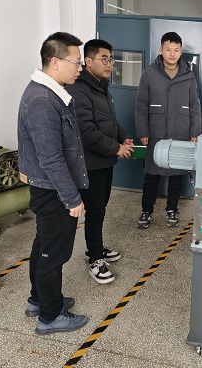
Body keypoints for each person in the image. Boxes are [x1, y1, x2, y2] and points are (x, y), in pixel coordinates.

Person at [17, 32, 89, 335]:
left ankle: (39, 300)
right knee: (52, 255)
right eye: (76, 61)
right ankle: (50, 316)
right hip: (53, 190)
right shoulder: (43, 100)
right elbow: (51, 158)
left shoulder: (50, 92)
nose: (80, 68)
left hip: (49, 187)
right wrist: (72, 199)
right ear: (55, 61)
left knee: (43, 246)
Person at [65, 39, 134, 284]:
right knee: (95, 211)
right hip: (90, 164)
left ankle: (95, 246)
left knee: (100, 208)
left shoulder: (101, 87)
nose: (109, 64)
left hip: (104, 162)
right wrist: (116, 148)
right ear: (88, 61)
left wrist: (123, 137)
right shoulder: (79, 89)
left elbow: (110, 122)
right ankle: (95, 258)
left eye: (110, 59)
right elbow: (86, 131)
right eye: (103, 59)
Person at [135, 31, 201, 229]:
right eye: (168, 49)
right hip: (156, 133)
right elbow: (141, 105)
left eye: (176, 50)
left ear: (181, 52)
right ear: (161, 50)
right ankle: (146, 210)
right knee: (151, 174)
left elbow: (195, 106)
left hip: (181, 133)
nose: (172, 54)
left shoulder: (188, 75)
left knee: (176, 175)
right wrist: (142, 132)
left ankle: (172, 209)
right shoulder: (149, 73)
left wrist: (195, 132)